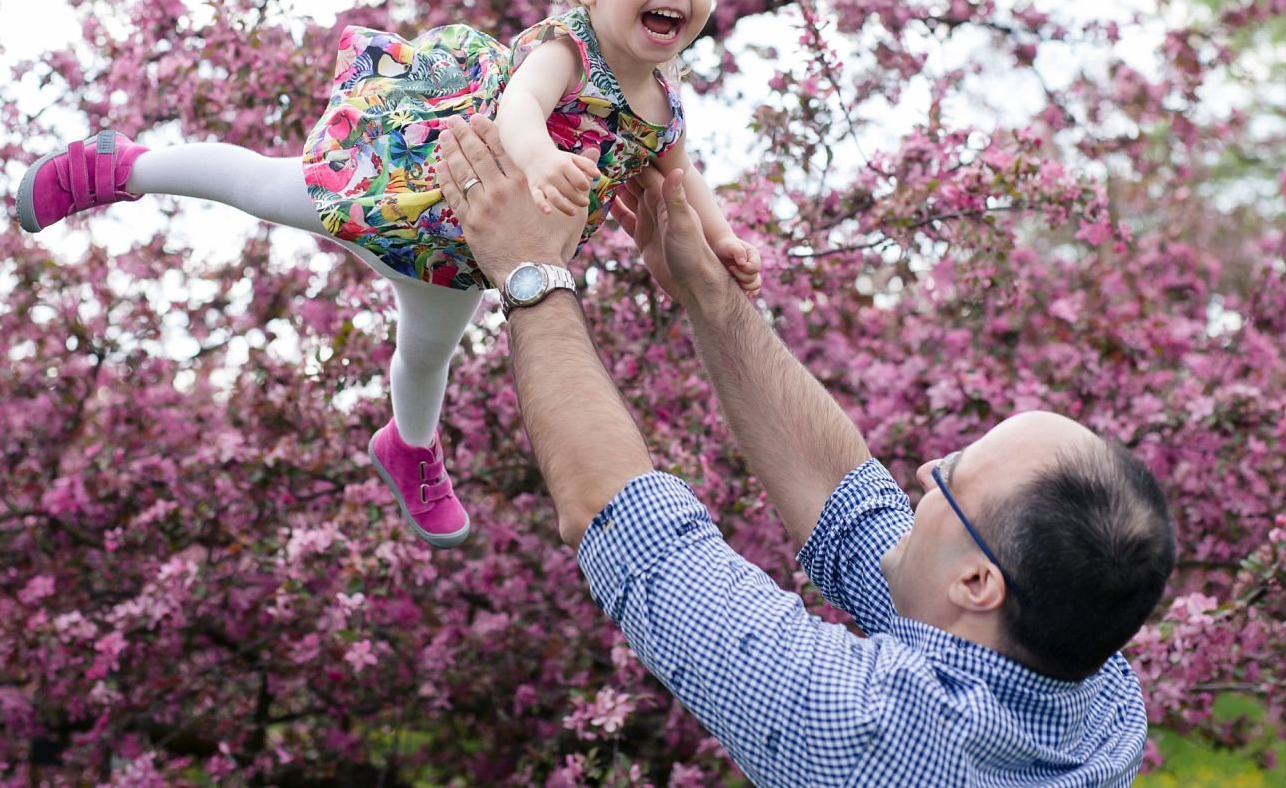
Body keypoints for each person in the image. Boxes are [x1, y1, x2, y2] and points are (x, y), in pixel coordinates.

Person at [11, 0, 832, 548]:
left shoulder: (665, 104)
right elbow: (518, 109)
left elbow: (680, 178)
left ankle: (408, 446)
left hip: (465, 250)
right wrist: (543, 157)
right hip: (403, 185)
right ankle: (118, 167)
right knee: (262, 186)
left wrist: (720, 235)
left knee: (426, 353)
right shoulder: (567, 47)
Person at [432, 114, 1178, 787]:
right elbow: (850, 512)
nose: (921, 472)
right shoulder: (1096, 695)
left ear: (980, 582)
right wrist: (709, 290)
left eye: (949, 482)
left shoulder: (866, 733)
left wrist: (531, 271)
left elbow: (628, 523)